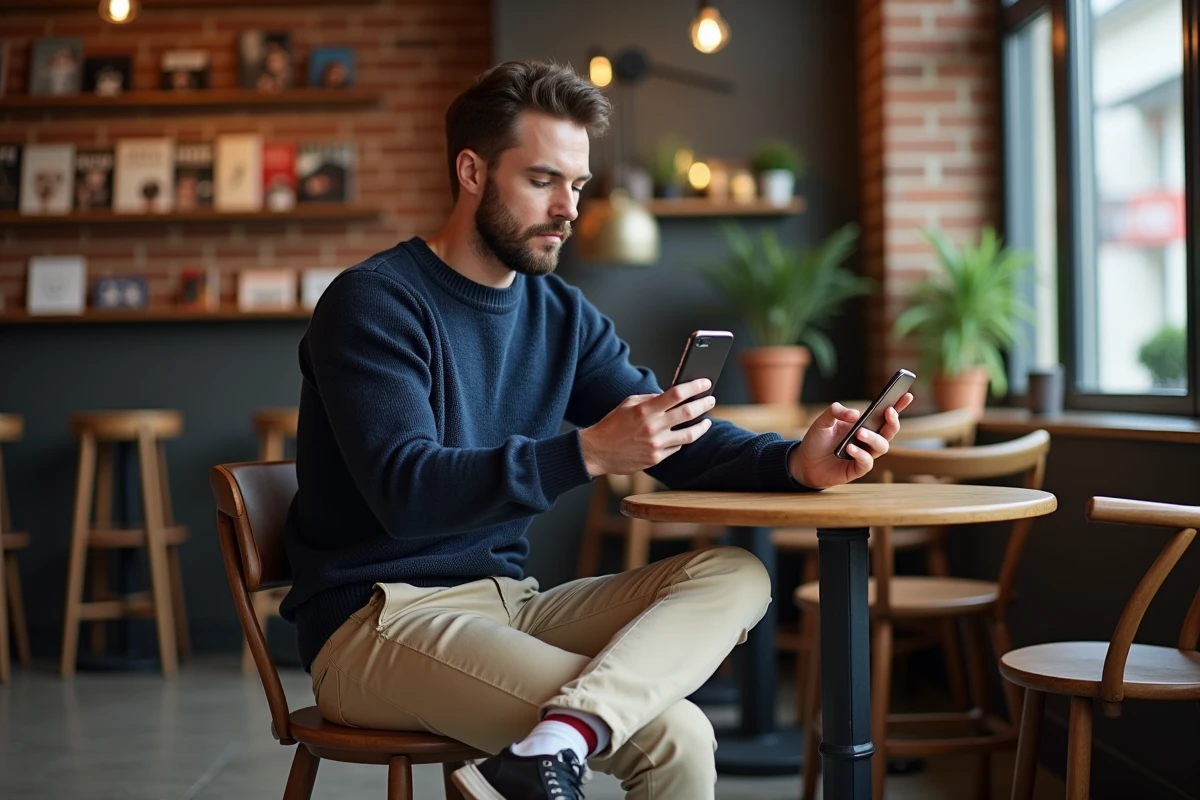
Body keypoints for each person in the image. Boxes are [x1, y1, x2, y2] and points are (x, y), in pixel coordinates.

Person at [280, 59, 912, 800]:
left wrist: (795, 463)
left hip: (508, 603)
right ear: (472, 171)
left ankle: (558, 738)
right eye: (542, 180)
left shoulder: (561, 315)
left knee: (737, 573)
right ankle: (558, 742)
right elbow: (405, 492)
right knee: (678, 735)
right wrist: (586, 452)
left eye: (577, 185)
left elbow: (678, 438)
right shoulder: (375, 302)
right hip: (375, 621)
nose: (568, 209)